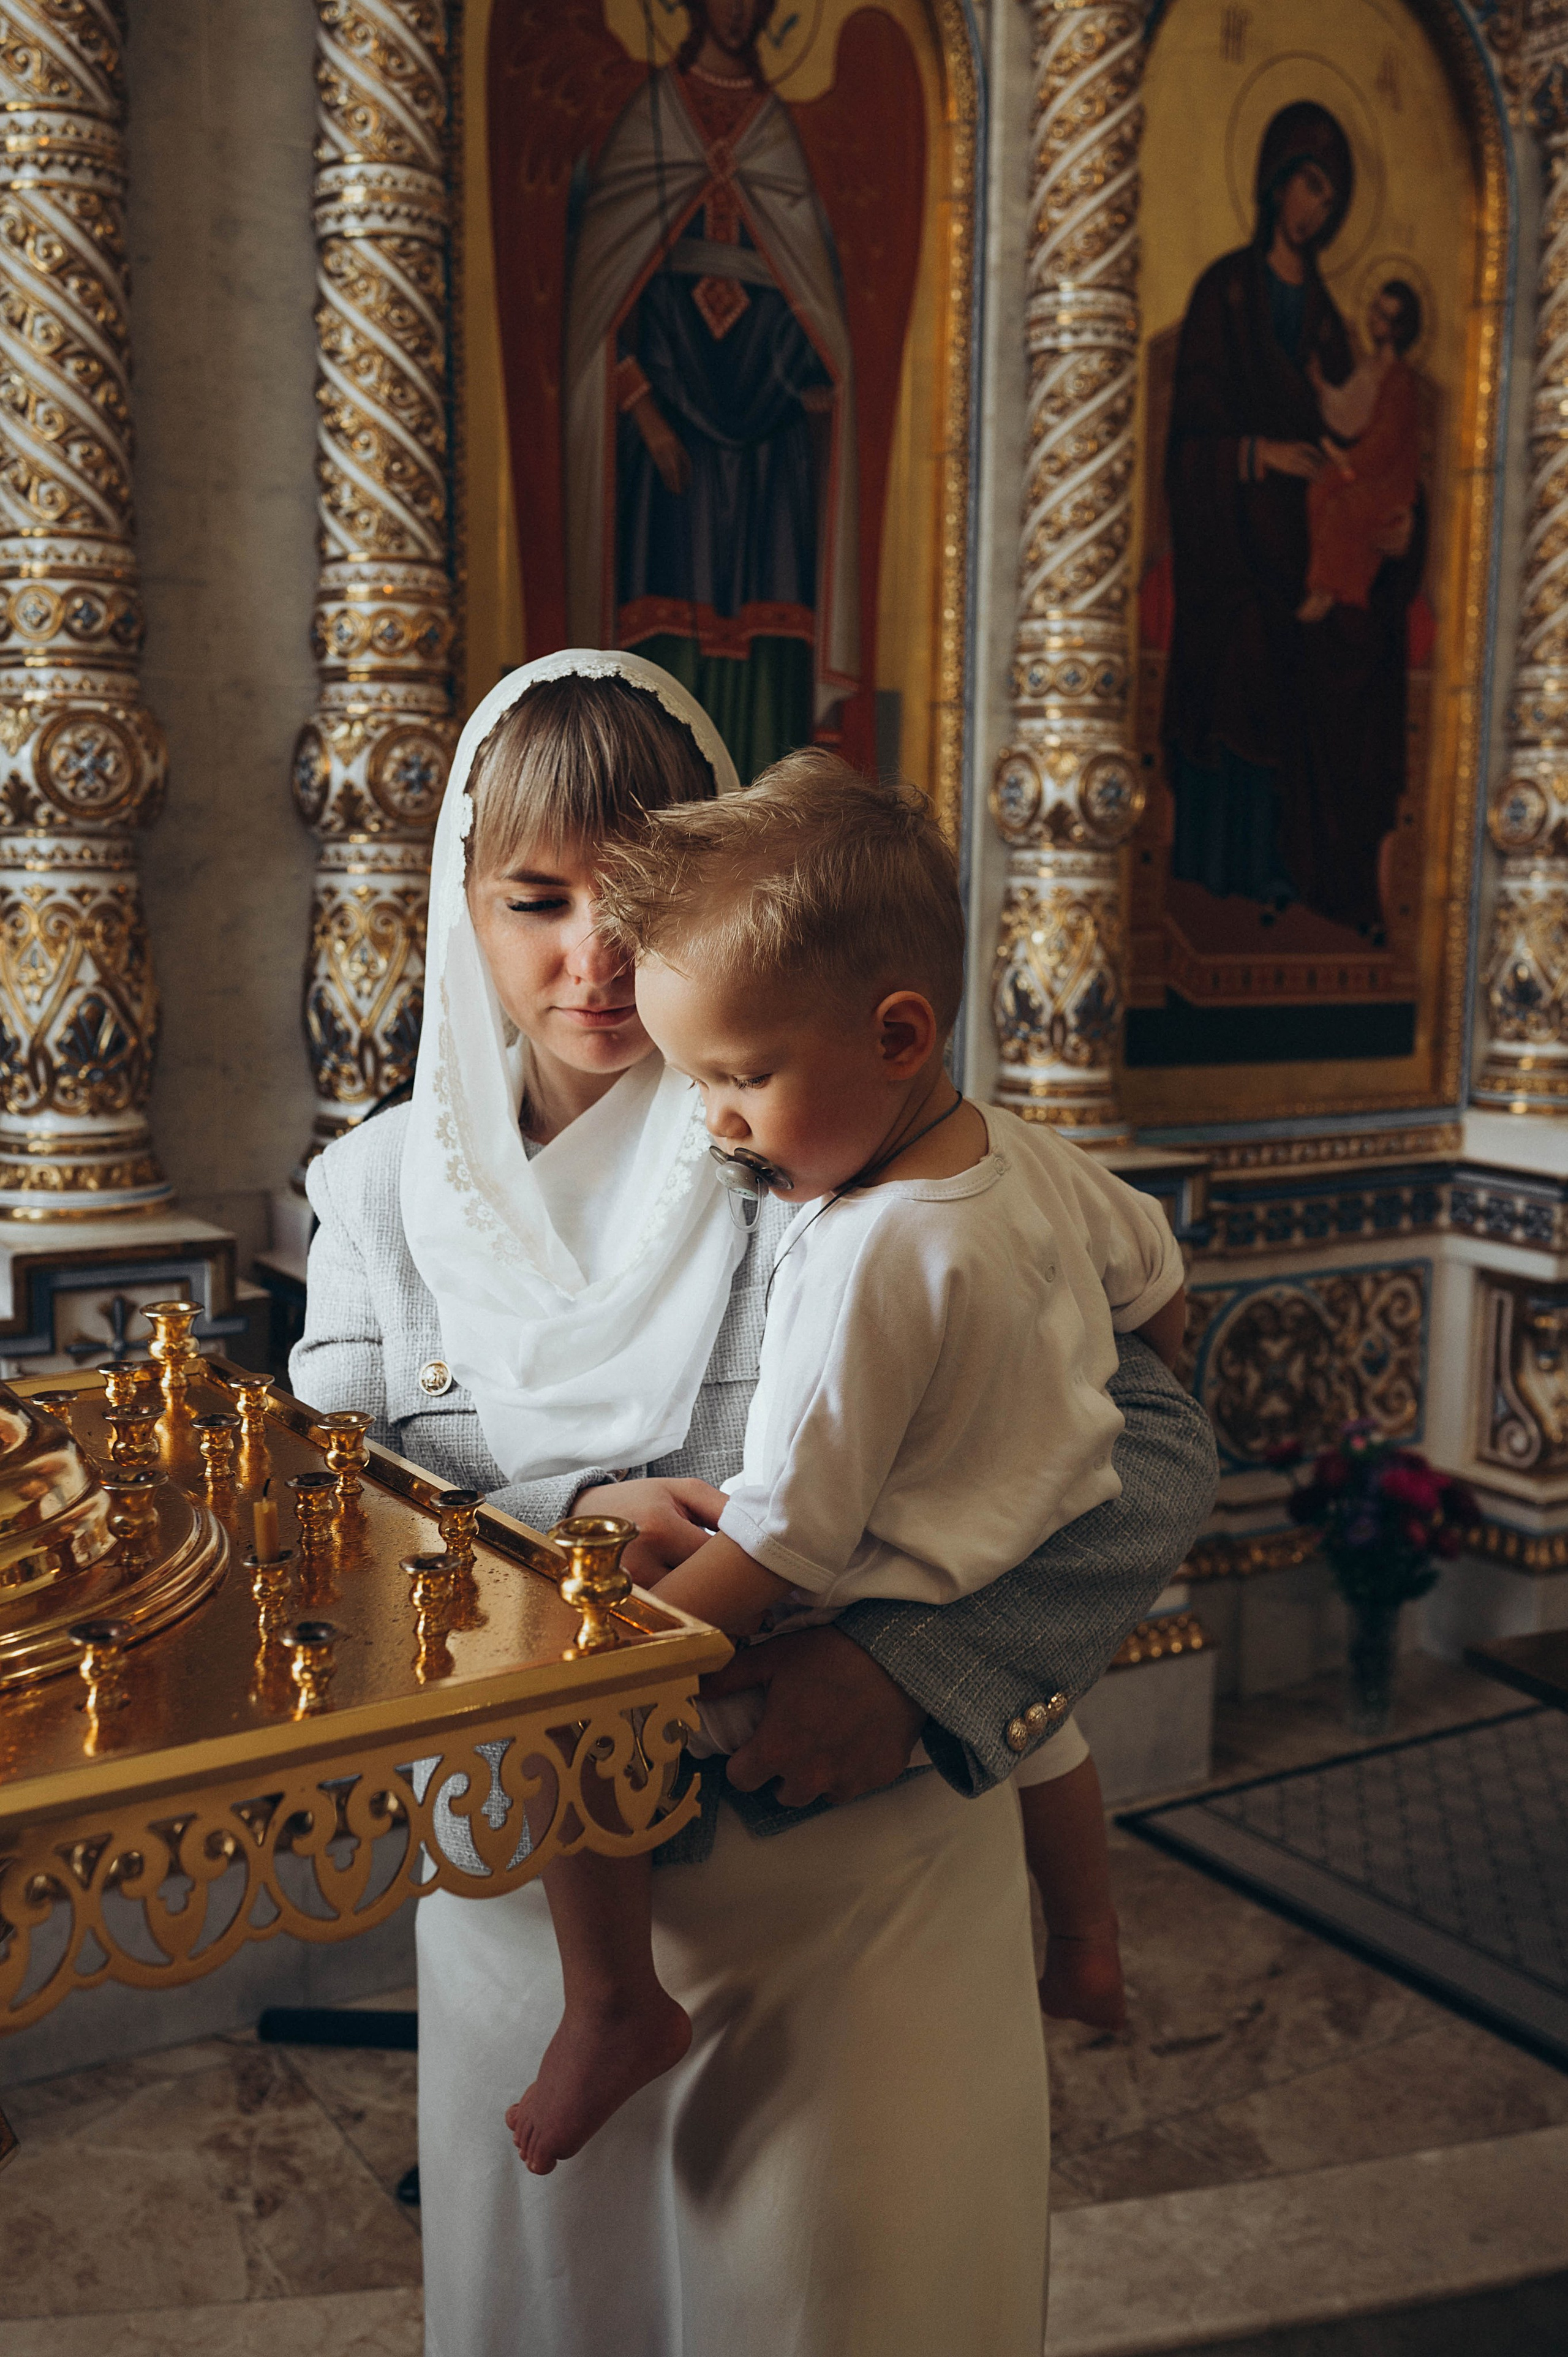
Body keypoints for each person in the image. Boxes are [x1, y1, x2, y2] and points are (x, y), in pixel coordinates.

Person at [292, 648, 1218, 2357]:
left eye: (635, 898)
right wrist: (572, 1530)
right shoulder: (378, 1201)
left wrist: (916, 1670)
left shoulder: (840, 1124)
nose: (592, 961)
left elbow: (1154, 1437)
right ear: (457, 907)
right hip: (534, 1899)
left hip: (851, 1896)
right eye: (534, 900)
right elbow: (334, 1516)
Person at [505, 756, 1187, 2174]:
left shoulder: (868, 1253)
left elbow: (794, 1534)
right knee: (1049, 1742)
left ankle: (615, 2003)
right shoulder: (1021, 1153)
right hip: (1018, 1546)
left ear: (894, 1031)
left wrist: (646, 1642)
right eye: (699, 1080)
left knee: (565, 1728)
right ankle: (1086, 1940)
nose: (714, 1121)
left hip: (852, 1603)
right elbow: (1158, 1297)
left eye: (740, 1076)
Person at [1163, 100, 1423, 935]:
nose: (1317, 209)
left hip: (1309, 544)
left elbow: (1378, 448)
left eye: (1332, 198)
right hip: (1231, 546)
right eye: (1310, 186)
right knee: (1250, 636)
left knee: (1342, 642)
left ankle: (1315, 871)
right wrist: (1256, 457)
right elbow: (1186, 445)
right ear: (1277, 181)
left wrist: (1406, 530)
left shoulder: (1328, 326)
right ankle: (1225, 871)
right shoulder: (1224, 295)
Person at [1299, 281, 1423, 623]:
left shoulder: (1400, 380)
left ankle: (1335, 591)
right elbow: (1349, 415)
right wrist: (1319, 385)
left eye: (1384, 316)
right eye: (1375, 310)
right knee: (1319, 488)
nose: (1374, 320)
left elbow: (1385, 443)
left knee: (1344, 506)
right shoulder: (1371, 366)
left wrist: (1346, 459)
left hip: (1390, 478)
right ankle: (1319, 586)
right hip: (1365, 465)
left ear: (1399, 330)